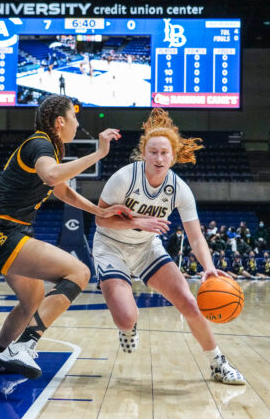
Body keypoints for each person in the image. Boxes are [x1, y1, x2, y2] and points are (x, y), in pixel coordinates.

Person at [0, 94, 129, 379]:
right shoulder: (40, 144)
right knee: (79, 272)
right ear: (61, 122)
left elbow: (62, 190)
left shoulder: (49, 149)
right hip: (1, 232)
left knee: (32, 300)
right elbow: (51, 177)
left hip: (8, 231)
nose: (77, 123)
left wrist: (100, 211)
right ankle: (23, 345)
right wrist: (98, 154)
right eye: (74, 118)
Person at [91, 108, 245, 385]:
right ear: (144, 154)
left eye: (164, 153)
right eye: (153, 152)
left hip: (147, 247)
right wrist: (138, 223)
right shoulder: (125, 177)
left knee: (188, 302)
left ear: (173, 156)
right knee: (126, 318)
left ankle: (218, 363)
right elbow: (100, 219)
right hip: (110, 244)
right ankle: (128, 328)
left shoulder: (180, 189)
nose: (159, 158)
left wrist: (209, 267)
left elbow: (196, 237)